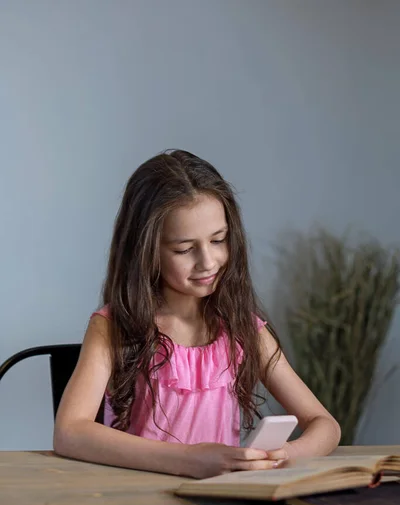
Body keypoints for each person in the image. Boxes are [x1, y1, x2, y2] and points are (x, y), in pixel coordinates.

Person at [54, 150, 341, 479]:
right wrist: (190, 460)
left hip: (216, 504)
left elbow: (325, 425)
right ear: (145, 250)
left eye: (218, 240)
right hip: (136, 502)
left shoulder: (243, 328)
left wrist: (283, 454)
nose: (208, 261)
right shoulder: (112, 328)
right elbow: (70, 432)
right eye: (184, 249)